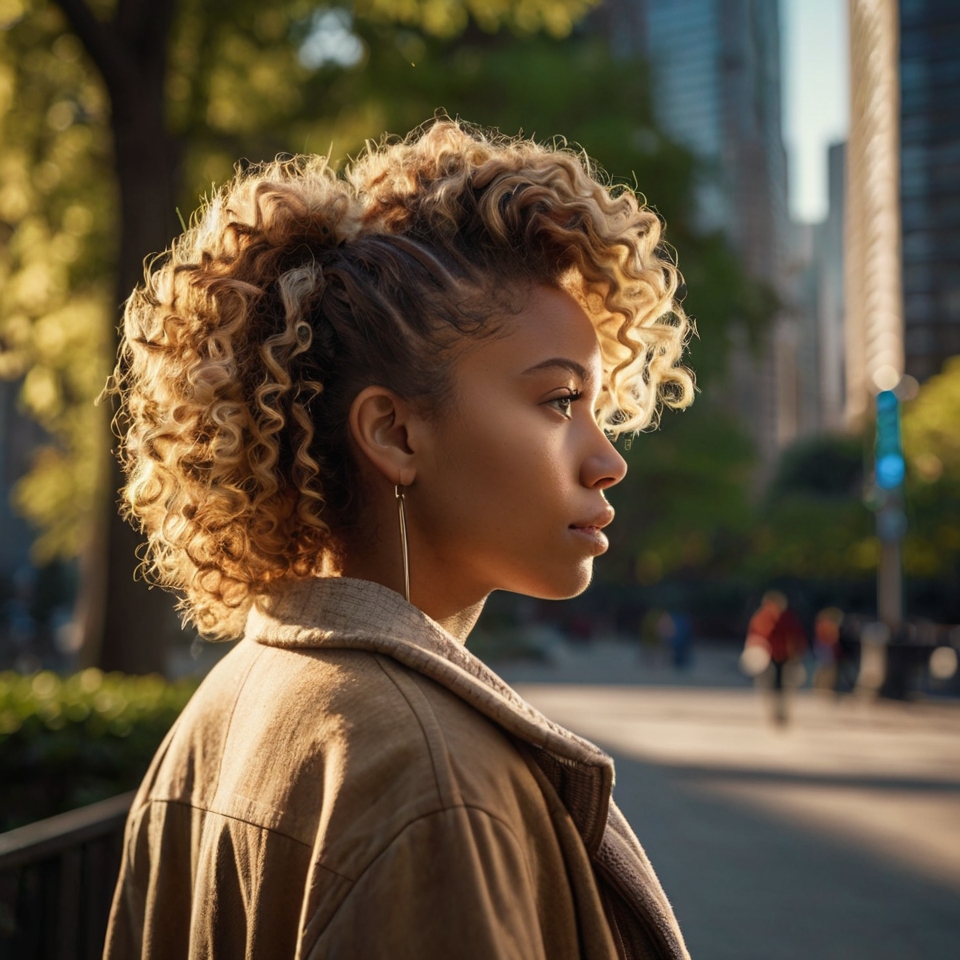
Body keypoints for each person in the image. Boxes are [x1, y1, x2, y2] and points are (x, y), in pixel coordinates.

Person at [103, 119, 693, 959]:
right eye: (560, 402)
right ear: (395, 434)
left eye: (599, 406)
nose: (606, 462)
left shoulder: (225, 704)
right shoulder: (434, 781)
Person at [744, 590, 808, 725]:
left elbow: (796, 635)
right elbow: (757, 635)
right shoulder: (763, 617)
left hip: (785, 655)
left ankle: (781, 710)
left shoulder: (786, 617)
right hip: (768, 656)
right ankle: (776, 710)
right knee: (771, 683)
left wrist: (798, 651)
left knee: (783, 684)